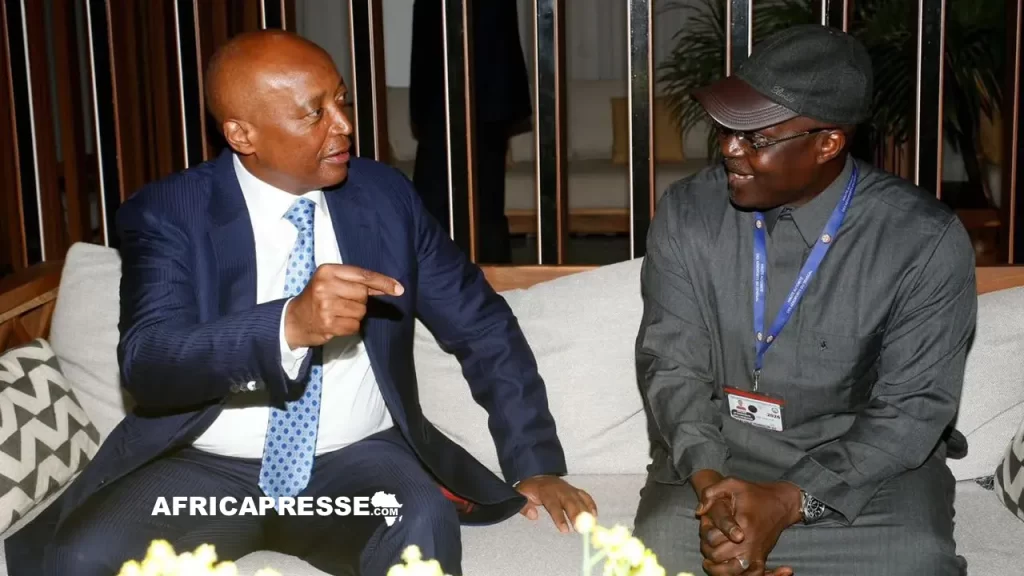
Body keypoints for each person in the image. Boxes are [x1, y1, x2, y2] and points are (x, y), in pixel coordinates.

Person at [6, 30, 595, 576]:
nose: (344, 125)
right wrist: (287, 325)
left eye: (341, 101)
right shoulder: (169, 212)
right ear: (243, 135)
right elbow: (149, 361)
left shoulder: (385, 198)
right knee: (80, 556)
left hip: (355, 466)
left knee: (422, 526)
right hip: (205, 470)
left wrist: (535, 463)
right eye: (315, 113)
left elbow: (481, 326)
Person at [631, 24, 975, 576]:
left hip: (863, 470)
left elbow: (913, 409)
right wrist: (713, 491)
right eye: (727, 131)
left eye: (755, 139)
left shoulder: (921, 240)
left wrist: (788, 502)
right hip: (722, 454)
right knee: (655, 556)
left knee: (916, 562)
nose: (730, 150)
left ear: (827, 144)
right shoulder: (687, 214)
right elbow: (672, 367)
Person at [408, 0, 532, 264]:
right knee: (436, 202)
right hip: (444, 104)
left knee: (483, 204)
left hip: (483, 104)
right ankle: (437, 270)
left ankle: (491, 273)